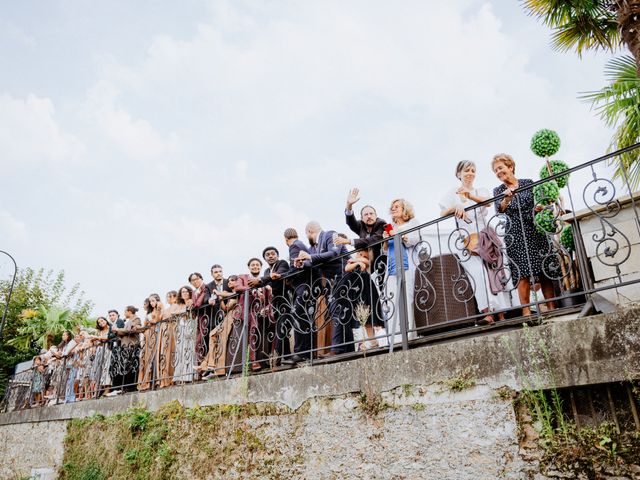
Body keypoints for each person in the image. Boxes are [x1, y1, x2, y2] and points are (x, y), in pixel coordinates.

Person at [439, 160, 510, 324]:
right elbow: (442, 212)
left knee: (494, 271)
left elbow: (489, 203)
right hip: (465, 238)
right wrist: (455, 207)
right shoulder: (452, 193)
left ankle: (502, 312)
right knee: (477, 273)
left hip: (484, 235)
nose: (470, 173)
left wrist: (469, 196)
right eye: (466, 171)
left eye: (472, 170)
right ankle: (487, 312)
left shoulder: (480, 190)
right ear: (459, 174)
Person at [492, 153, 556, 316]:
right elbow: (499, 210)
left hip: (534, 227)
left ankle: (551, 308)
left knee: (544, 267)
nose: (498, 172)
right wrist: (507, 199)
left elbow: (538, 201)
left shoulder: (528, 183)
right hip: (516, 231)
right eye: (495, 171)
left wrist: (539, 207)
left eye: (500, 168)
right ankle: (526, 313)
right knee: (522, 272)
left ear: (510, 167)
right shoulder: (499, 190)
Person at [296, 221, 350, 356]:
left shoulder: (330, 235)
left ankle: (337, 349)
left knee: (339, 312)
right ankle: (346, 348)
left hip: (344, 277)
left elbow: (334, 253)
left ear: (309, 232)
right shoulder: (313, 248)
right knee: (336, 313)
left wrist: (309, 257)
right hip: (330, 284)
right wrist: (301, 264)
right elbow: (312, 263)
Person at [382, 199, 420, 344]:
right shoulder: (391, 226)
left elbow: (415, 239)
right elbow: (385, 251)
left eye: (396, 206)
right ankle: (395, 337)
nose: (393, 208)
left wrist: (397, 234)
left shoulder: (412, 223)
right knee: (392, 300)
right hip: (391, 267)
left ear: (405, 209)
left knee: (407, 298)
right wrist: (386, 239)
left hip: (406, 265)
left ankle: (409, 335)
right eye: (391, 207)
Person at [249, 246, 291, 362]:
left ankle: (280, 356)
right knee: (280, 328)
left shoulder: (282, 263)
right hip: (275, 303)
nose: (271, 256)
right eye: (268, 255)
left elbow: (280, 274)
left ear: (277, 255)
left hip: (286, 300)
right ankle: (286, 356)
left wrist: (261, 280)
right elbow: (266, 286)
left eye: (273, 254)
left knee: (283, 327)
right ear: (265, 258)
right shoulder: (267, 271)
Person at [235, 258, 274, 371]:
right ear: (249, 267)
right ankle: (253, 361)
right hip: (247, 311)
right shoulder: (243, 277)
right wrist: (253, 289)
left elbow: (270, 299)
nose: (255, 267)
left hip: (261, 311)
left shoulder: (264, 280)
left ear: (261, 267)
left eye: (257, 265)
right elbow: (238, 288)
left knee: (274, 324)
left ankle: (272, 357)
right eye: (253, 265)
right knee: (253, 327)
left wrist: (266, 308)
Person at [335, 187, 387, 272]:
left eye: (371, 213)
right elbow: (351, 223)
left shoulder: (381, 223)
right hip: (364, 264)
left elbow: (373, 240)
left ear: (376, 215)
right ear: (362, 218)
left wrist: (348, 241)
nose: (369, 216)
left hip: (380, 263)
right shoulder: (361, 225)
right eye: (366, 214)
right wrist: (349, 206)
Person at [198, 275, 240, 377]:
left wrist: (219, 293)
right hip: (228, 316)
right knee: (212, 334)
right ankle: (209, 365)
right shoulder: (227, 293)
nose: (230, 282)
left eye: (233, 281)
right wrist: (221, 297)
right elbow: (225, 308)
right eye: (229, 281)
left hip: (233, 317)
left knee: (220, 338)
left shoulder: (237, 292)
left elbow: (236, 295)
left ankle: (215, 368)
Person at [109, 306, 142, 393]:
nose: (124, 314)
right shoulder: (127, 320)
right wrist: (117, 332)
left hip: (132, 345)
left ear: (129, 311)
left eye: (125, 312)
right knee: (125, 367)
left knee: (132, 366)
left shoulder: (136, 318)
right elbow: (125, 331)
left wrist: (117, 329)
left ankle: (131, 386)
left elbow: (129, 330)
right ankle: (124, 386)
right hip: (125, 346)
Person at [138, 294, 163, 391]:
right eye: (150, 301)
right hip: (148, 334)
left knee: (156, 355)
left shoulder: (160, 308)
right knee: (147, 357)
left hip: (156, 332)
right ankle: (147, 381)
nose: (151, 303)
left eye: (153, 301)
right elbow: (145, 324)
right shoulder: (149, 312)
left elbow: (157, 320)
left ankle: (156, 379)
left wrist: (151, 321)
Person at [173, 286, 196, 383]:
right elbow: (173, 313)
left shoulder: (191, 301)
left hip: (189, 327)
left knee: (188, 350)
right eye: (182, 292)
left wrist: (181, 312)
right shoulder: (180, 304)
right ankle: (180, 376)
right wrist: (182, 311)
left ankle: (188, 376)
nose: (184, 293)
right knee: (180, 351)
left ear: (190, 292)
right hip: (181, 328)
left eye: (186, 291)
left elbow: (189, 313)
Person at [188, 272, 212, 366]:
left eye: (196, 279)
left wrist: (191, 304)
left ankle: (204, 366)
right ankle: (201, 367)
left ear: (201, 278)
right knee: (199, 344)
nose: (195, 282)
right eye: (192, 280)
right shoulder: (194, 292)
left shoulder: (206, 287)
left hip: (209, 317)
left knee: (202, 343)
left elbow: (197, 304)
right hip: (200, 320)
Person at [156, 291, 178, 388]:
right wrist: (158, 310)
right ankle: (163, 378)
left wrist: (163, 308)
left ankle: (170, 377)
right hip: (164, 331)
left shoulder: (176, 305)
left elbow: (169, 316)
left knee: (169, 353)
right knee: (163, 354)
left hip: (170, 330)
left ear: (173, 297)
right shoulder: (168, 308)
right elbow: (158, 319)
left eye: (168, 297)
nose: (167, 299)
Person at [90, 316, 114, 397]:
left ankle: (107, 389)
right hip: (100, 351)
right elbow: (98, 342)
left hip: (108, 349)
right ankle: (98, 390)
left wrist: (97, 338)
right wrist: (94, 340)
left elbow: (108, 338)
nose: (101, 323)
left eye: (102, 321)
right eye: (99, 322)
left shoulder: (111, 328)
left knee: (107, 368)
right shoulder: (99, 332)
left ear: (105, 320)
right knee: (99, 369)